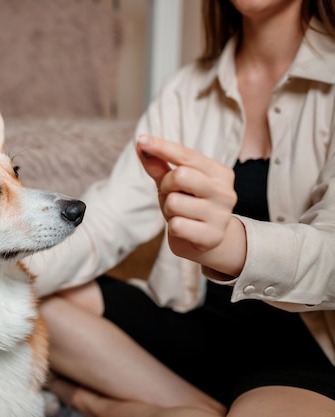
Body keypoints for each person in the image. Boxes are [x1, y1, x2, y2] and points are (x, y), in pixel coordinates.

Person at [24, 1, 335, 416]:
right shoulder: (186, 90)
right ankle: (196, 407)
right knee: (22, 299)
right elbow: (107, 222)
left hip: (305, 351)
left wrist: (233, 244)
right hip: (192, 323)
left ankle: (94, 401)